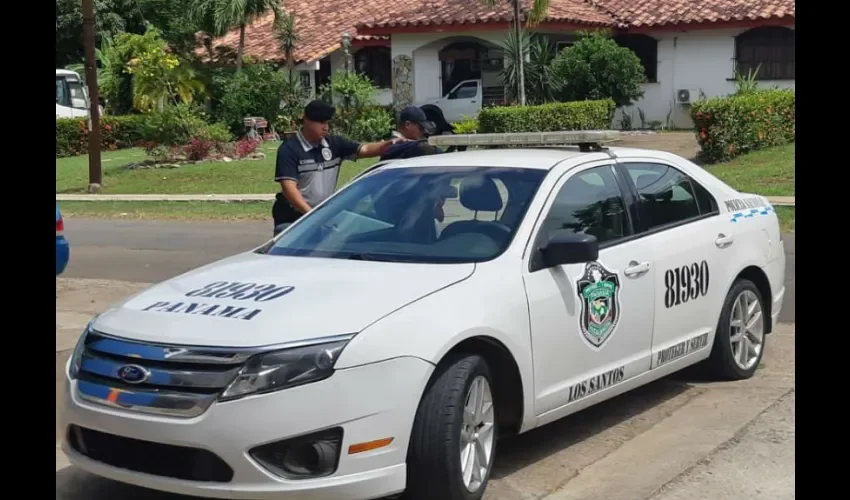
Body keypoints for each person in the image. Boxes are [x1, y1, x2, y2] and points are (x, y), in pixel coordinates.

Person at [273, 100, 404, 233]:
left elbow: (365, 149)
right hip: (293, 217)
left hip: (320, 215)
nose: (325, 127)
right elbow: (289, 189)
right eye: (320, 122)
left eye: (327, 122)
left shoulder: (334, 144)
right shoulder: (289, 149)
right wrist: (311, 216)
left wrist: (389, 144)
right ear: (306, 120)